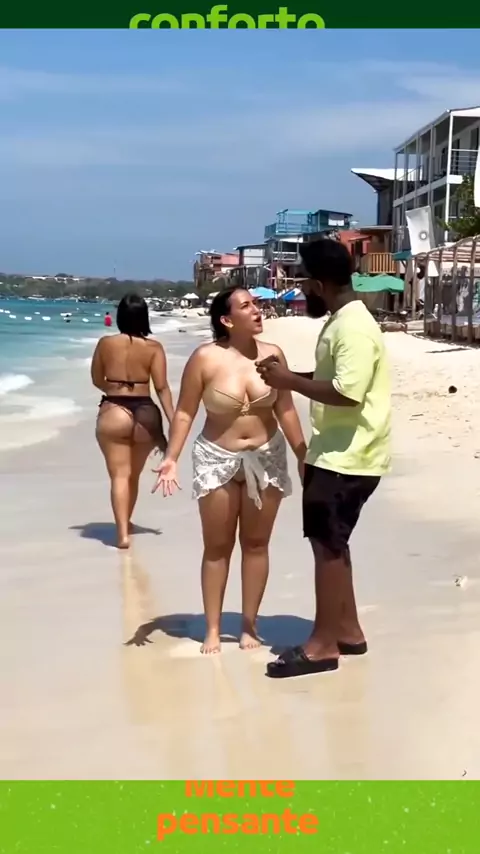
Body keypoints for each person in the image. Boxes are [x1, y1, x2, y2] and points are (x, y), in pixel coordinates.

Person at [256, 239, 391, 679]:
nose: (302, 290)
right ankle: (347, 631)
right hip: (338, 452)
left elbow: (348, 393)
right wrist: (292, 376)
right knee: (332, 543)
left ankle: (322, 646)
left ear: (318, 284)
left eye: (304, 283)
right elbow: (337, 376)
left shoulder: (352, 327)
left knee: (327, 547)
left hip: (347, 456)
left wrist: (290, 381)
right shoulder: (343, 320)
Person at [152, 286, 306, 654]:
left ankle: (249, 626)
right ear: (227, 320)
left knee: (256, 544)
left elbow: (285, 408)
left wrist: (303, 454)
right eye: (247, 306)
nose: (257, 310)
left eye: (256, 304)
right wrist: (171, 457)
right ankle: (213, 628)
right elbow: (186, 411)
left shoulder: (273, 355)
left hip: (266, 456)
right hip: (216, 457)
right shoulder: (205, 358)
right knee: (217, 547)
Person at [91, 293, 174, 549]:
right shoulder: (154, 348)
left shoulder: (105, 343)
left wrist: (115, 389)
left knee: (119, 476)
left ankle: (122, 535)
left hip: (114, 409)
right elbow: (161, 387)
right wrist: (174, 420)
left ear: (120, 317)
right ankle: (127, 522)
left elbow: (96, 379)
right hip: (146, 411)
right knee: (133, 476)